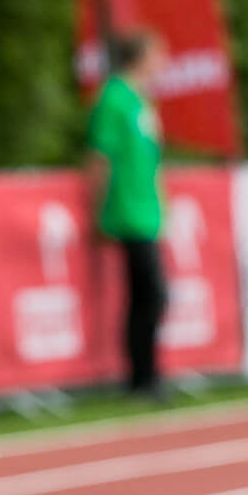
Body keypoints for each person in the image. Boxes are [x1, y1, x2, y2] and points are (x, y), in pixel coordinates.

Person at [86, 31, 170, 400]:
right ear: (140, 57)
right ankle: (142, 378)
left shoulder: (141, 99)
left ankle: (144, 377)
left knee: (146, 296)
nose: (164, 62)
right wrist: (96, 209)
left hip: (148, 210)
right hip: (126, 211)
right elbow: (99, 155)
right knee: (151, 294)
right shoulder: (114, 98)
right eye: (158, 54)